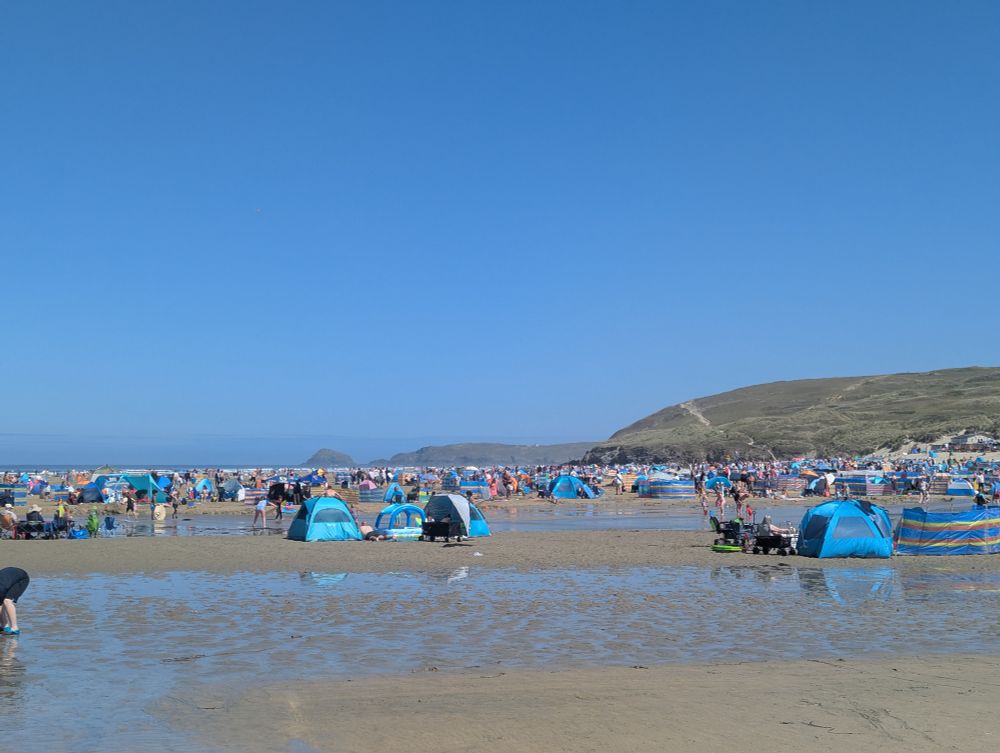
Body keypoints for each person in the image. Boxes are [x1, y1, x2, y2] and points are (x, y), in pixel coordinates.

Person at [0, 567, 29, 635]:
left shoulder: (2, 587)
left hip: (22, 579)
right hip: (8, 578)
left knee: (7, 601)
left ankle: (15, 628)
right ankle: (4, 626)